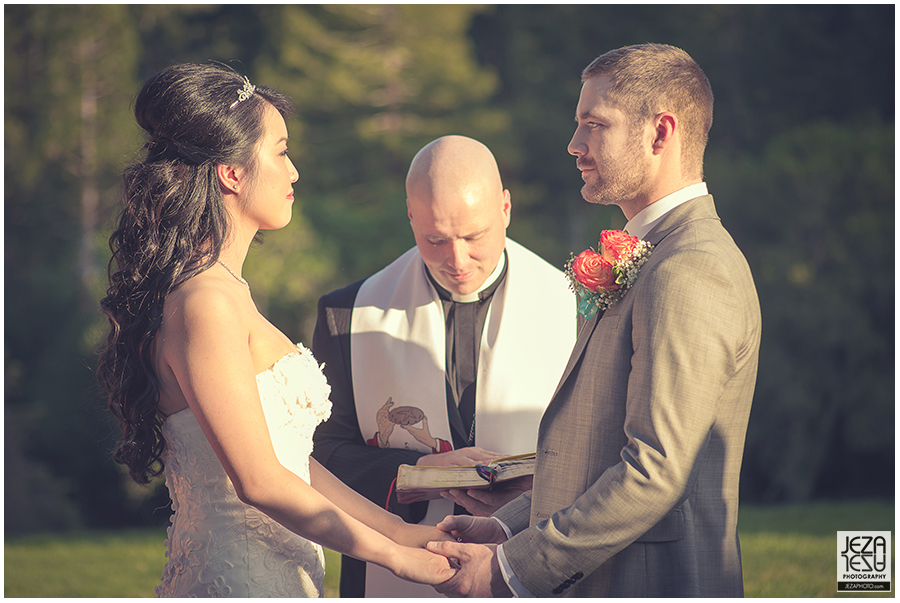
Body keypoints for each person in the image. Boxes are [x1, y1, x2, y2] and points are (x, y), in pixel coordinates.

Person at [95, 63, 456, 598]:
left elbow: (291, 464)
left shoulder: (227, 293)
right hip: (236, 580)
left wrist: (402, 532)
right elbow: (260, 481)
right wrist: (394, 561)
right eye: (282, 151)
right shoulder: (204, 305)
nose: (294, 173)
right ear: (231, 173)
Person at [428, 43, 762, 597]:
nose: (574, 145)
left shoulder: (690, 268)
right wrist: (506, 528)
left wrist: (510, 569)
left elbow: (653, 472)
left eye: (593, 125)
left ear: (661, 134)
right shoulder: (655, 255)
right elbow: (598, 448)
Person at [311, 135, 577, 597]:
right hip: (398, 570)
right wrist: (421, 471)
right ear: (411, 216)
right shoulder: (348, 315)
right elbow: (325, 453)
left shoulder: (578, 307)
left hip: (531, 559)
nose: (457, 260)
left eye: (474, 237)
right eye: (435, 239)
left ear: (506, 208)